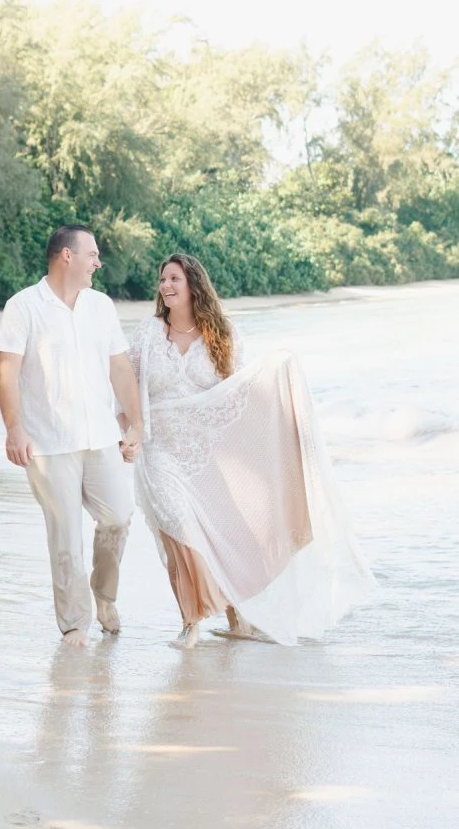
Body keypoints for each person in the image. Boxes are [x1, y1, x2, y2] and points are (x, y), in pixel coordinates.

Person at [120, 253, 374, 648]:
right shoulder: (149, 333)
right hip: (160, 449)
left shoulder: (223, 334)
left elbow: (240, 394)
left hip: (209, 453)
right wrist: (131, 434)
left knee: (222, 533)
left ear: (193, 285)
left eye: (174, 278)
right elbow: (127, 390)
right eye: (162, 279)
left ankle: (237, 617)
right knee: (178, 528)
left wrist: (281, 374)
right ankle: (191, 622)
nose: (165, 286)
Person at [0, 225, 143, 647]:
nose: (98, 262)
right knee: (65, 535)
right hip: (47, 441)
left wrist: (135, 422)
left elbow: (119, 367)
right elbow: (6, 370)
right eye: (92, 254)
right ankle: (75, 623)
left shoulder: (101, 306)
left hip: (99, 436)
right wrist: (14, 428)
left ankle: (104, 594)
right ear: (66, 256)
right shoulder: (23, 306)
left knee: (118, 515)